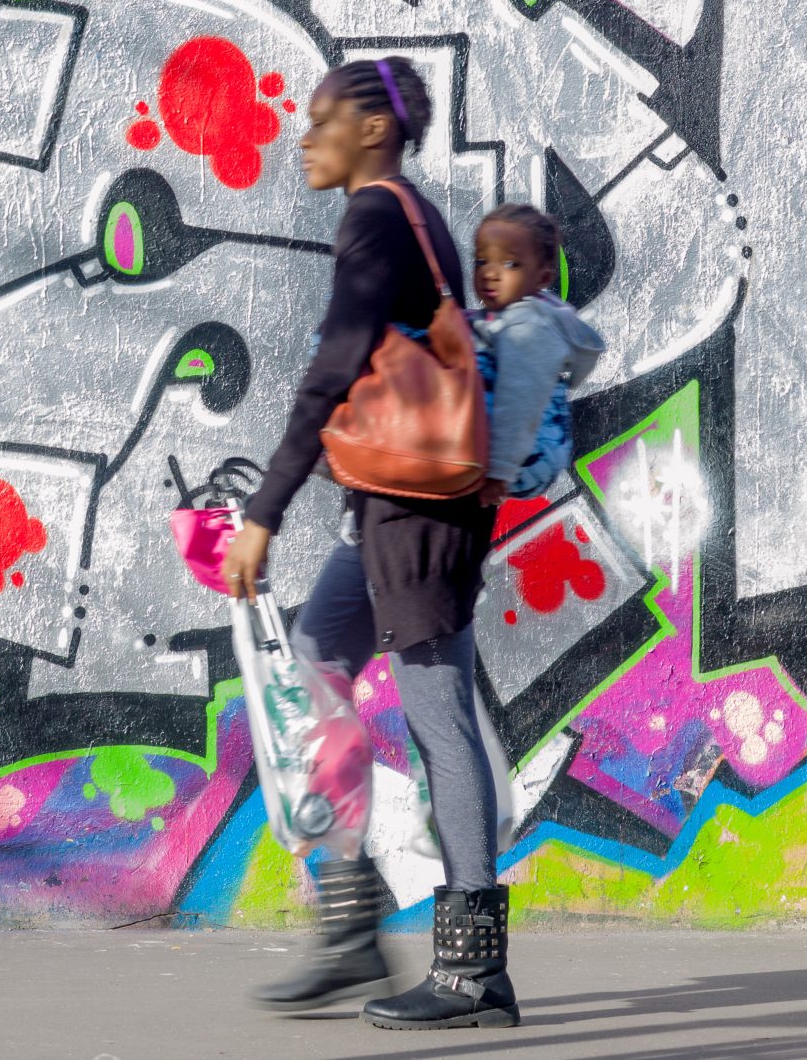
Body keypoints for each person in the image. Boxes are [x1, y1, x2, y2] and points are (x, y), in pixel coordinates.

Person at [221, 56, 516, 1031]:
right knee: (312, 665)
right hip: (386, 508)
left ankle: (472, 971)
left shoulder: (379, 213)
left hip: (416, 513)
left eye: (319, 121)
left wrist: (263, 506)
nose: (302, 138)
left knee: (438, 720)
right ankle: (350, 932)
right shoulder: (398, 213)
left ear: (372, 129)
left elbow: (335, 362)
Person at [470, 204, 605, 509]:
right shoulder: (539, 312)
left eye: (510, 264)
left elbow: (517, 403)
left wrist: (499, 472)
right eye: (482, 260)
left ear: (542, 276)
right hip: (536, 447)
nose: (490, 273)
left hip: (525, 455)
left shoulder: (528, 326)